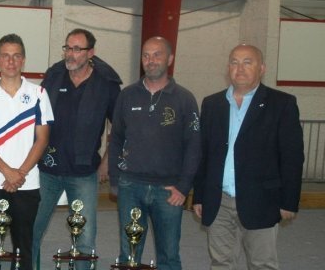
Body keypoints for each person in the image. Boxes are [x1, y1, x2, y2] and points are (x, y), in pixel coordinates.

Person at [192, 44, 304, 270]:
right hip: (219, 201)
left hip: (261, 200)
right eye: (234, 62)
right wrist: (199, 196)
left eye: (247, 62)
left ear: (261, 68)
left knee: (262, 264)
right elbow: (203, 154)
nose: (240, 68)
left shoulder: (282, 104)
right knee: (221, 263)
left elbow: (292, 156)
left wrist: (289, 201)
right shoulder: (212, 104)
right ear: (228, 68)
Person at [108, 36, 201, 270]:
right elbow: (116, 138)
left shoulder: (185, 98)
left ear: (170, 59)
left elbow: (194, 146)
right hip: (130, 186)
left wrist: (184, 187)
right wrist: (115, 179)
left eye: (157, 54)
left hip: (169, 191)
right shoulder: (127, 95)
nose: (151, 60)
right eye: (146, 55)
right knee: (129, 253)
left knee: (169, 255)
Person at [33, 29, 122, 268]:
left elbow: (120, 127)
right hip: (47, 169)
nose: (70, 54)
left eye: (76, 49)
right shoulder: (53, 77)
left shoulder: (107, 84)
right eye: (67, 48)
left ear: (90, 53)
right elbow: (35, 119)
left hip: (83, 172)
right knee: (31, 230)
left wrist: (107, 161)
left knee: (85, 238)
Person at [0, 34, 53, 270]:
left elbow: (42, 139)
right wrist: (8, 172)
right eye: (5, 56)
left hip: (26, 183)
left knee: (23, 247)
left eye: (16, 56)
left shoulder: (39, 94)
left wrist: (20, 174)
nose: (11, 61)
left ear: (23, 60)